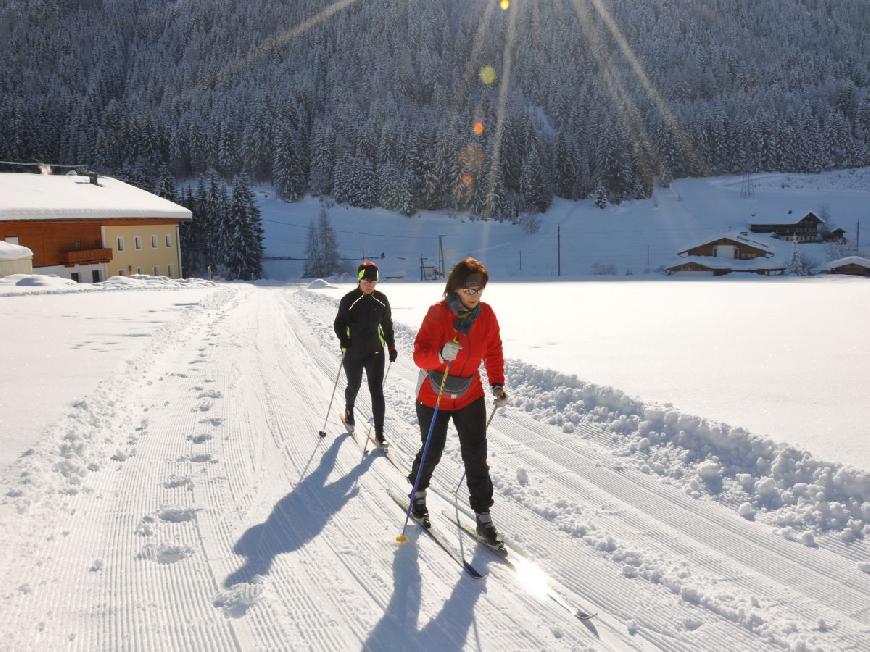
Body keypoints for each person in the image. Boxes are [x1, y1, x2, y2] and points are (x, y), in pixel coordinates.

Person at [408, 257, 508, 546]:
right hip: (433, 393)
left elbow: (493, 350)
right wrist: (439, 355)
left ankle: (483, 514)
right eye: (470, 289)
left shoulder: (486, 315)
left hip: (469, 394)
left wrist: (497, 383)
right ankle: (418, 492)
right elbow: (418, 354)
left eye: (480, 290)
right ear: (456, 288)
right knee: (433, 449)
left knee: (476, 455)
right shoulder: (437, 314)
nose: (475, 296)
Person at [333, 261, 398, 447]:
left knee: (376, 391)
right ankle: (349, 410)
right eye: (366, 280)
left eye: (374, 280)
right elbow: (339, 324)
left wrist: (391, 347)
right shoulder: (349, 299)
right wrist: (343, 339)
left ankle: (379, 433)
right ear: (360, 279)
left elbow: (387, 326)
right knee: (354, 385)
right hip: (353, 351)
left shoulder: (382, 299)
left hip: (375, 351)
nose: (370, 284)